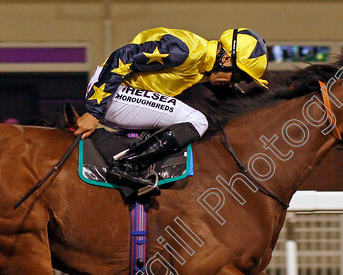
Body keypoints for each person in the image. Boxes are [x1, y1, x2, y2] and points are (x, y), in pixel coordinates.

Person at [74, 27, 269, 193]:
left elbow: (230, 97)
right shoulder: (185, 51)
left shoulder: (205, 65)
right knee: (197, 120)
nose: (232, 84)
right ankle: (127, 166)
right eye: (236, 78)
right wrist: (94, 111)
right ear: (226, 59)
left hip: (122, 95)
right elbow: (122, 57)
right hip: (112, 93)